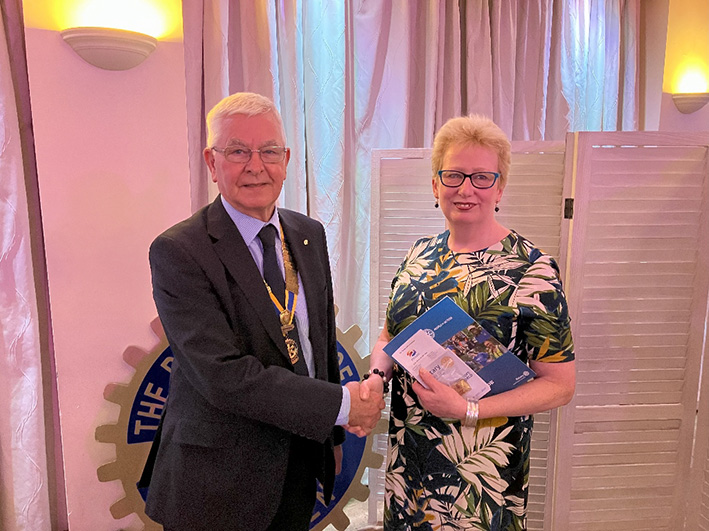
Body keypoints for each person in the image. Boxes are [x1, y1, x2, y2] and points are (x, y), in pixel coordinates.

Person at [144, 92, 384, 531]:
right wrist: (341, 406)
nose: (256, 166)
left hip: (298, 463)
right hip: (215, 484)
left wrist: (330, 435)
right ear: (212, 162)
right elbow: (222, 376)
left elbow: (318, 345)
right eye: (238, 151)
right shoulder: (179, 250)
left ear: (286, 160)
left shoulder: (308, 234)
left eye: (269, 151)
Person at [363, 114, 576, 530]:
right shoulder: (418, 257)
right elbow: (390, 337)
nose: (465, 189)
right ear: (435, 185)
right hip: (410, 464)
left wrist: (469, 409)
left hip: (480, 479)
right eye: (454, 175)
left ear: (499, 187)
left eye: (481, 177)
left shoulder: (532, 271)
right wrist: (375, 378)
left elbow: (560, 385)